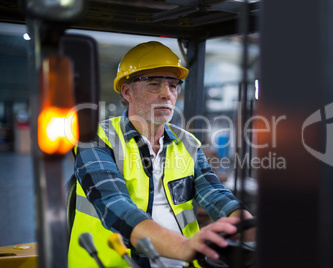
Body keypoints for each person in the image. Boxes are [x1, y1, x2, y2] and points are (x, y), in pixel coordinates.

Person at [68, 41, 253, 268]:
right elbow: (114, 205)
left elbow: (215, 194)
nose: (167, 94)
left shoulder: (188, 143)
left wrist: (249, 228)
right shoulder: (96, 139)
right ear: (127, 92)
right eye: (154, 84)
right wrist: (182, 247)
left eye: (173, 86)